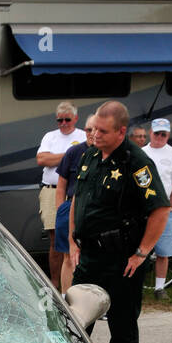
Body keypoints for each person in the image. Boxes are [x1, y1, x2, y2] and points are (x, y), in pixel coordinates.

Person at [68, 100, 170, 343]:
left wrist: (142, 253)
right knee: (75, 321)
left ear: (120, 132)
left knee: (122, 325)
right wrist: (72, 241)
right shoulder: (89, 155)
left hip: (122, 259)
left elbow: (160, 209)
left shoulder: (136, 162)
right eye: (93, 130)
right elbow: (78, 199)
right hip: (89, 256)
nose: (95, 135)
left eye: (102, 131)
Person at [142, 117, 172, 299]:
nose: (160, 137)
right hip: (144, 208)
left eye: (164, 134)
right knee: (141, 248)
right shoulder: (142, 153)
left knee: (164, 251)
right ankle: (136, 284)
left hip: (164, 209)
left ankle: (159, 288)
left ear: (168, 135)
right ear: (150, 133)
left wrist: (171, 206)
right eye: (157, 133)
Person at [36, 103, 86, 264]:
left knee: (79, 236)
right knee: (56, 239)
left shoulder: (84, 136)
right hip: (51, 191)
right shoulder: (50, 136)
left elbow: (48, 159)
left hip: (77, 192)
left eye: (67, 119)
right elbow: (41, 159)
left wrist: (54, 158)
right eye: (60, 120)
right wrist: (71, 155)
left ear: (76, 118)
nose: (63, 123)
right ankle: (55, 284)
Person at [53, 114, 96, 293]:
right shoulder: (74, 152)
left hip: (95, 212)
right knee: (69, 258)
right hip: (70, 208)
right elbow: (61, 185)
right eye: (89, 129)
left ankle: (93, 301)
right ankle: (66, 300)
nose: (92, 133)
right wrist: (61, 210)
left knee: (93, 258)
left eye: (97, 129)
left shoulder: (108, 154)